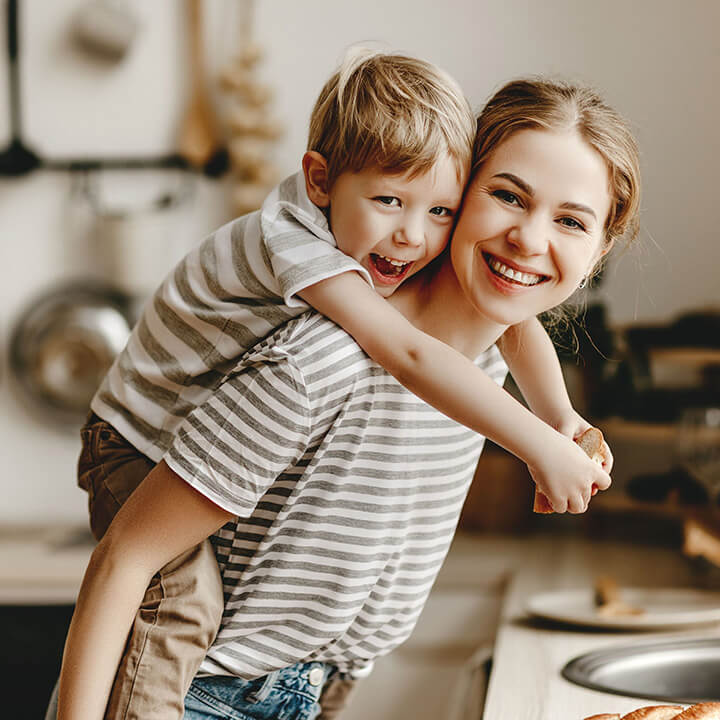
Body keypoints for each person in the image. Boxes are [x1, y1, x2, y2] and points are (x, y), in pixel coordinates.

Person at [54, 75, 640, 720]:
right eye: (506, 196)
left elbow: (509, 335)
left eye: (570, 221)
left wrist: (562, 423)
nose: (529, 239)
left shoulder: (481, 366)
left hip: (312, 690)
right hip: (199, 695)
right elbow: (127, 560)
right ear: (464, 190)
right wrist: (537, 445)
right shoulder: (324, 359)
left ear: (601, 249)